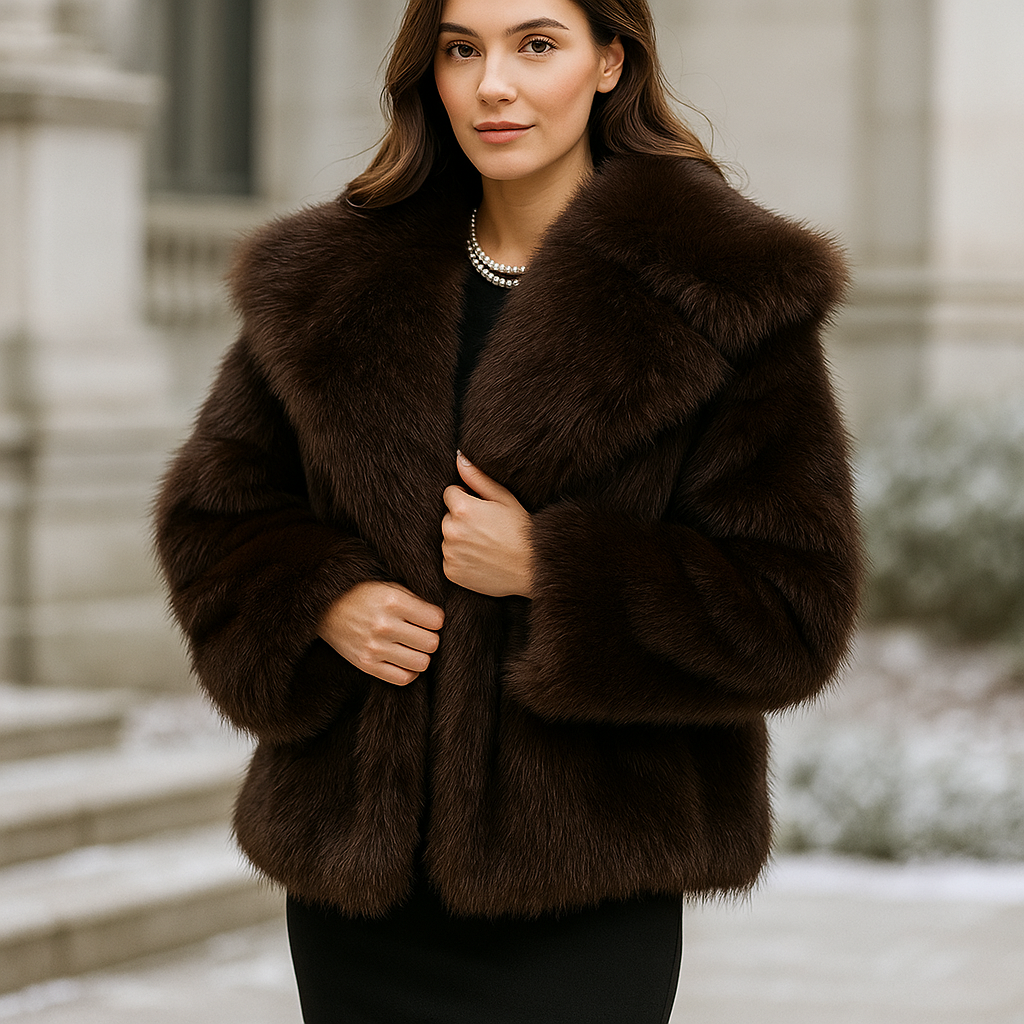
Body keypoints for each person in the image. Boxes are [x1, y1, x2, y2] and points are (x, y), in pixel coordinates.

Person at [153, 0, 862, 1020]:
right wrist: (319, 599)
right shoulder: (327, 283)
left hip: (585, 883)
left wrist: (551, 571)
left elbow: (793, 610)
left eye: (536, 44)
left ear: (610, 62)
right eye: (460, 49)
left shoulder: (724, 292)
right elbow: (211, 519)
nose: (493, 83)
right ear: (429, 74)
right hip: (362, 882)